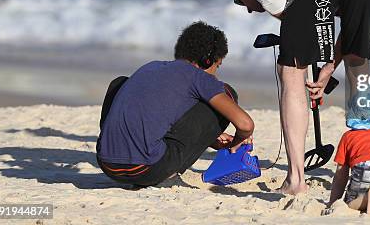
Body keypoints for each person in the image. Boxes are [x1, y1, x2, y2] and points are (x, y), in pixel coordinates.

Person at [230, 0, 370, 194]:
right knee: (358, 61)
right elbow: (343, 30)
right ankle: (366, 166)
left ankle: (296, 181)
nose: (249, 9)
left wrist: (302, 43)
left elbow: (273, 0)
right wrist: (328, 66)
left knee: (290, 70)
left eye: (239, 1)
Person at [96, 21, 254, 187]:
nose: (216, 72)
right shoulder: (198, 77)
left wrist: (210, 139)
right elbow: (245, 125)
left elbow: (159, 111)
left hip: (107, 165)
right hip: (146, 169)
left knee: (120, 83)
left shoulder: (151, 67)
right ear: (208, 61)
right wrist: (237, 144)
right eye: (217, 65)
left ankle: (111, 144)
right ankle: (170, 173)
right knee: (227, 92)